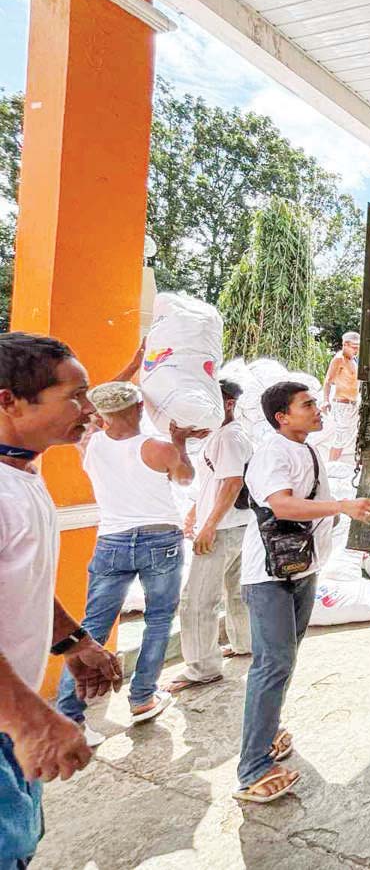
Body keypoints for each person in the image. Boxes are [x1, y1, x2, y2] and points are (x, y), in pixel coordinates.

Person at [0, 332, 123, 868]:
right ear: (8, 400)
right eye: (74, 396)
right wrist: (29, 721)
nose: (88, 410)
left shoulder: (22, 473)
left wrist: (73, 642)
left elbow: (19, 583)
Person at [235, 382, 370, 803]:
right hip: (269, 577)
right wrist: (341, 508)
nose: (317, 409)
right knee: (272, 663)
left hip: (301, 570)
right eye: (307, 405)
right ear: (282, 416)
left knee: (284, 659)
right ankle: (252, 770)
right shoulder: (273, 453)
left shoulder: (307, 450)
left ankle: (266, 735)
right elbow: (281, 506)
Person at [55, 378, 206, 730]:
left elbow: (90, 404)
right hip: (160, 540)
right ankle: (142, 698)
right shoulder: (159, 447)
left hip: (112, 541)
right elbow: (185, 478)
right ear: (140, 408)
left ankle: (69, 714)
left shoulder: (89, 444)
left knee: (91, 629)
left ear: (102, 413)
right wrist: (180, 443)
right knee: (157, 621)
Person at [166, 379, 254, 694]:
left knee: (197, 601)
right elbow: (214, 483)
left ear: (228, 404)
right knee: (236, 593)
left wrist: (209, 526)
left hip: (224, 528)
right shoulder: (226, 434)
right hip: (238, 526)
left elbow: (232, 483)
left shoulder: (228, 438)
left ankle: (202, 669)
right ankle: (244, 644)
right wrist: (196, 513)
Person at [322, 332, 361, 463]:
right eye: (354, 347)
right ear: (345, 345)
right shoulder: (339, 359)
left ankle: (337, 464)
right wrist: (325, 400)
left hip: (353, 404)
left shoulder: (353, 361)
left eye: (358, 347)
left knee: (349, 438)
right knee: (340, 438)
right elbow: (328, 381)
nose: (356, 350)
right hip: (342, 404)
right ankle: (330, 465)